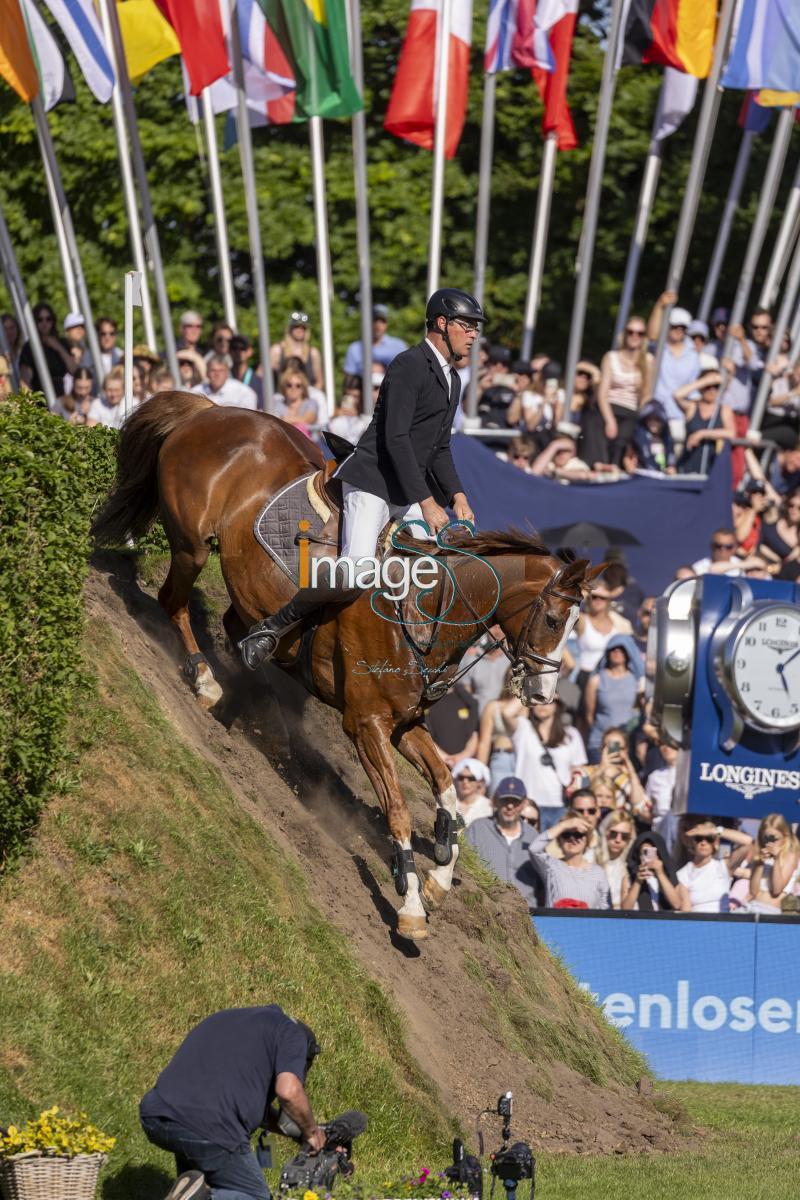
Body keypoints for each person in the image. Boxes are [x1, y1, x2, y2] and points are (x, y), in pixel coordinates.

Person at [240, 287, 482, 668]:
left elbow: (439, 449)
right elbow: (396, 439)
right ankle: (271, 628)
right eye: (467, 326)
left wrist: (457, 496)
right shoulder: (409, 364)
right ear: (441, 323)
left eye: (474, 328)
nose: (473, 334)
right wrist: (428, 502)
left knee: (429, 573)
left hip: (405, 492)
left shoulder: (453, 381)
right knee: (357, 573)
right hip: (372, 483)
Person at [140, 1006, 323, 1200]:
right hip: (209, 1128)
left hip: (157, 1113)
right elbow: (289, 1091)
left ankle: (194, 1194)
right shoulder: (293, 1034)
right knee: (255, 1196)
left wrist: (301, 1131)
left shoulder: (236, 1019)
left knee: (204, 1185)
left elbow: (261, 1113)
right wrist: (312, 1133)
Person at [503, 696, 587, 830]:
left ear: (557, 705)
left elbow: (578, 770)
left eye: (549, 700)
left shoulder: (571, 734)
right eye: (538, 700)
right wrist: (533, 688)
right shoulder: (524, 729)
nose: (543, 705)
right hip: (528, 805)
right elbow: (507, 712)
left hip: (560, 806)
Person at [465, 776, 540, 908]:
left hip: (526, 911)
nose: (510, 806)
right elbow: (464, 868)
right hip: (488, 909)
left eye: (515, 801)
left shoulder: (533, 836)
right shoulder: (477, 829)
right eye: (505, 800)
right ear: (496, 801)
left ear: (523, 804)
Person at [529, 810, 611, 909]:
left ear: (587, 839)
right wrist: (564, 825)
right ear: (559, 839)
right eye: (566, 834)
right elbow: (533, 849)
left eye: (578, 835)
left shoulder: (598, 872)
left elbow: (605, 908)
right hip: (556, 924)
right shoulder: (550, 866)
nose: (572, 839)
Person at [598, 317, 652, 464]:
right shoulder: (611, 357)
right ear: (625, 334)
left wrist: (639, 417)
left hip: (631, 410)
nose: (635, 336)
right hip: (610, 406)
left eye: (640, 333)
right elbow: (602, 393)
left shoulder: (647, 360)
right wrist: (610, 420)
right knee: (599, 428)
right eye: (631, 332)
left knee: (625, 436)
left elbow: (646, 394)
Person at [648, 293, 701, 443]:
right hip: (655, 414)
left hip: (678, 417)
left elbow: (693, 391)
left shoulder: (693, 356)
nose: (678, 330)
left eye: (682, 327)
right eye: (674, 326)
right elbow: (652, 334)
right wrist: (660, 305)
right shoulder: (659, 348)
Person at [584, 636, 642, 763]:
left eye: (621, 649)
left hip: (627, 744)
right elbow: (589, 716)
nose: (616, 652)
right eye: (613, 649)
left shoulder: (636, 680)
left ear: (628, 653)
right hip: (600, 743)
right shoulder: (596, 680)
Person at [675, 820, 753, 913]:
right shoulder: (684, 873)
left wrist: (714, 831)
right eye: (699, 838)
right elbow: (686, 911)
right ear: (692, 843)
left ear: (715, 843)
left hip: (723, 922)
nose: (703, 843)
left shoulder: (723, 866)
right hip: (698, 922)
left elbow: (749, 842)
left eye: (709, 839)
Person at [674, 371, 736, 474]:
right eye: (708, 386)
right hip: (687, 465)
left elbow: (731, 433)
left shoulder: (724, 410)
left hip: (711, 467)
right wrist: (706, 380)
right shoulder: (692, 406)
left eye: (716, 386)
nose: (712, 390)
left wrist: (702, 434)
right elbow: (676, 395)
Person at [747, 814, 800, 915]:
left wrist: (776, 859)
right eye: (766, 838)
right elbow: (753, 891)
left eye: (774, 839)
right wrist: (760, 863)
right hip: (751, 907)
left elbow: (776, 890)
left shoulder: (791, 855)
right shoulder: (762, 853)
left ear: (786, 836)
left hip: (769, 911)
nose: (769, 843)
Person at [19, 302, 74, 396]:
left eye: (48, 319)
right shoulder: (29, 347)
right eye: (40, 319)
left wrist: (58, 348)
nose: (44, 323)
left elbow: (74, 370)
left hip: (62, 398)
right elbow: (25, 379)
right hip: (40, 398)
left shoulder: (62, 343)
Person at [621, 831, 682, 911]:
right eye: (644, 852)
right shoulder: (629, 879)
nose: (648, 857)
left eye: (652, 852)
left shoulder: (670, 876)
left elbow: (677, 905)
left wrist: (660, 873)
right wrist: (637, 882)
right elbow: (625, 909)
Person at [424, 682, 479, 768]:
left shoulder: (470, 703)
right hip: (438, 762)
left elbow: (474, 736)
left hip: (464, 767)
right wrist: (446, 759)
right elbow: (426, 736)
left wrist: (460, 758)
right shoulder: (429, 702)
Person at [343, 303, 408, 376]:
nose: (378, 324)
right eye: (375, 320)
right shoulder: (354, 348)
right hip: (362, 386)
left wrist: (384, 370)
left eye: (382, 321)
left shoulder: (399, 346)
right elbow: (348, 380)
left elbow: (407, 374)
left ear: (387, 324)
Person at [270, 312, 322, 388]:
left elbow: (319, 381)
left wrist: (311, 396)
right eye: (296, 327)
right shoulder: (277, 350)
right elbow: (262, 375)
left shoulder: (313, 353)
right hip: (280, 397)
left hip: (308, 396)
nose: (300, 330)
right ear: (290, 329)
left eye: (303, 328)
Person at [596, 811, 635, 908]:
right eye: (613, 834)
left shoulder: (633, 866)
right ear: (604, 832)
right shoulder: (590, 858)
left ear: (630, 838)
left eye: (624, 836)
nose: (618, 840)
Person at [192, 356, 258, 410]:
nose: (217, 374)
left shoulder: (244, 392)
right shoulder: (195, 392)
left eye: (221, 371)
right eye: (213, 370)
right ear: (207, 373)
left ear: (227, 373)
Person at [758, 489, 800, 571]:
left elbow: (789, 563)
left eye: (799, 508)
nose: (794, 510)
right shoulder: (774, 518)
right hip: (756, 561)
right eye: (791, 505)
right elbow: (759, 544)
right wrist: (776, 558)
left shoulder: (798, 538)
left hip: (776, 573)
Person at [632, 401, 676, 473]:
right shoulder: (638, 438)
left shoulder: (667, 440)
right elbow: (628, 458)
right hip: (644, 476)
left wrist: (671, 468)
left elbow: (671, 463)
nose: (653, 422)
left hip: (662, 477)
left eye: (657, 419)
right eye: (650, 419)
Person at [274, 367, 318, 435]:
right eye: (289, 385)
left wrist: (285, 419)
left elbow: (308, 419)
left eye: (298, 385)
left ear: (303, 388)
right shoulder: (278, 404)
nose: (293, 388)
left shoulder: (310, 403)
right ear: (283, 387)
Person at [452, 758, 493, 827]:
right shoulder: (446, 803)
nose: (465, 782)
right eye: (461, 777)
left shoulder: (488, 807)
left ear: (479, 782)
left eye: (471, 778)